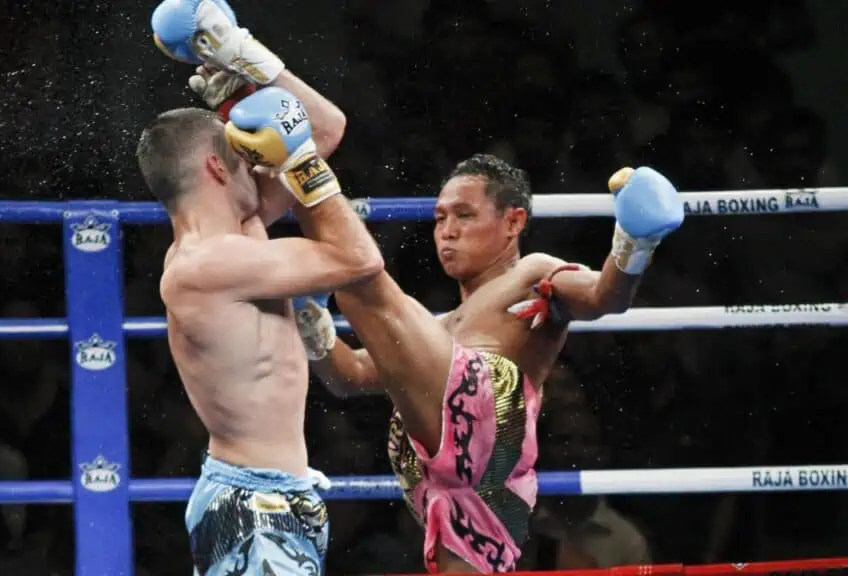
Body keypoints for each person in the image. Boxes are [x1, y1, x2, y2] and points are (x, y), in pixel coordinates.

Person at [287, 154, 683, 572]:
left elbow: (606, 297)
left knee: (357, 276)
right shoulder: (442, 330)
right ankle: (291, 165)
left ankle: (296, 160)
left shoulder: (532, 273)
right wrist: (310, 322)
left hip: (490, 417)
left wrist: (633, 243)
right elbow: (347, 377)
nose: (448, 231)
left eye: (464, 215)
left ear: (513, 222)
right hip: (458, 484)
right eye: (439, 219)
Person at [144, 1, 384, 573]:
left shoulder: (244, 230)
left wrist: (246, 61)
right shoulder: (204, 266)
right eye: (241, 153)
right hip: (253, 504)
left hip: (274, 493)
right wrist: (297, 160)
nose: (258, 160)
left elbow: (326, 127)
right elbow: (360, 258)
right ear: (218, 169)